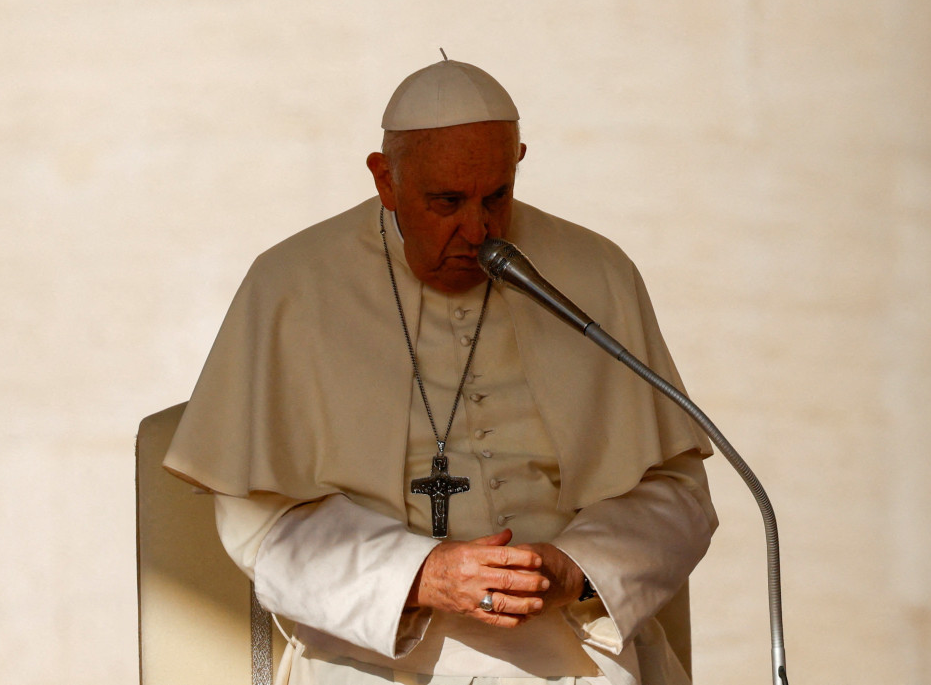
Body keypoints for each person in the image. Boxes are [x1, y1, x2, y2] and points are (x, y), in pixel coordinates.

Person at [164, 56, 718, 685]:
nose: (478, 231)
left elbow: (678, 492)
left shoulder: (596, 272)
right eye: (446, 202)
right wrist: (422, 575)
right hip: (373, 655)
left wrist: (577, 567)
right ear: (386, 180)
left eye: (497, 196)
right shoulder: (291, 285)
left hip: (576, 652)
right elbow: (257, 523)